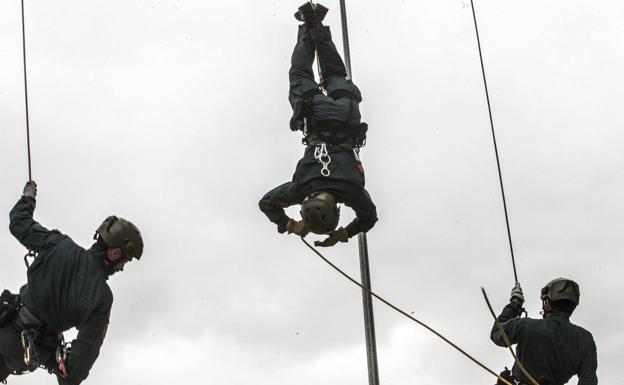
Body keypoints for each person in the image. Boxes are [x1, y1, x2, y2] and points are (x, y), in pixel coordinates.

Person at [0, 181, 143, 384]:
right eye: (124, 261)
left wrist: (28, 198)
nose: (122, 267)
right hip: (24, 357)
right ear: (115, 252)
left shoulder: (58, 244)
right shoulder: (101, 297)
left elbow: (18, 223)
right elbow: (83, 356)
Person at [259, 2, 377, 247]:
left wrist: (344, 233)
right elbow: (266, 203)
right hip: (318, 117)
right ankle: (307, 24)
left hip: (347, 115)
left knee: (335, 73)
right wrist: (289, 224)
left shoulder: (353, 193)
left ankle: (317, 23)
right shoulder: (299, 189)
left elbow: (368, 217)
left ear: (336, 209)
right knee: (300, 74)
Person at [490, 279, 598, 385]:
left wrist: (515, 303)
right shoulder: (585, 340)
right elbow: (589, 381)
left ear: (547, 303)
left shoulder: (525, 326)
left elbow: (497, 333)